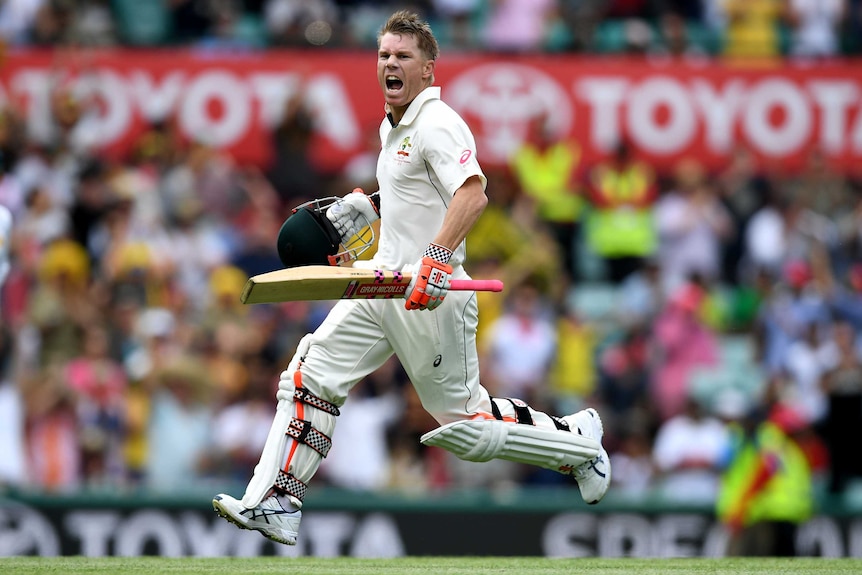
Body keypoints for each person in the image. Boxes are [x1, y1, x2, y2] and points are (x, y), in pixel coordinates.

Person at [212, 10, 611, 547]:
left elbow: (472, 192)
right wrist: (369, 207)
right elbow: (417, 194)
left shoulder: (438, 122)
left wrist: (438, 258)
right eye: (384, 55)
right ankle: (277, 501)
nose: (391, 64)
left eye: (403, 56)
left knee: (464, 426)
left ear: (427, 69)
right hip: (382, 283)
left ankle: (580, 443)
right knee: (310, 372)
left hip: (429, 294)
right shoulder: (393, 126)